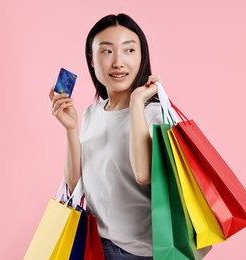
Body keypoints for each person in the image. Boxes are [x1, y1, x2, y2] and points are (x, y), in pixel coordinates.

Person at [49, 13, 162, 259]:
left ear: (142, 56)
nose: (118, 62)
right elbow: (73, 185)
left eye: (129, 50)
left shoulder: (154, 114)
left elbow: (144, 175)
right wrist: (71, 129)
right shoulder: (92, 113)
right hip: (94, 245)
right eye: (107, 51)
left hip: (140, 252)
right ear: (91, 59)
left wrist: (135, 103)